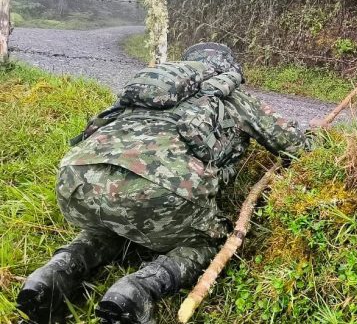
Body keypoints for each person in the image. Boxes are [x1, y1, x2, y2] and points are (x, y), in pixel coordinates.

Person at [16, 43, 309, 324]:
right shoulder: (230, 95)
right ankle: (138, 291)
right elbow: (295, 146)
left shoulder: (144, 93)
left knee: (107, 229)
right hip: (160, 191)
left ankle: (51, 276)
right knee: (209, 238)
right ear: (227, 70)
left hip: (76, 179)